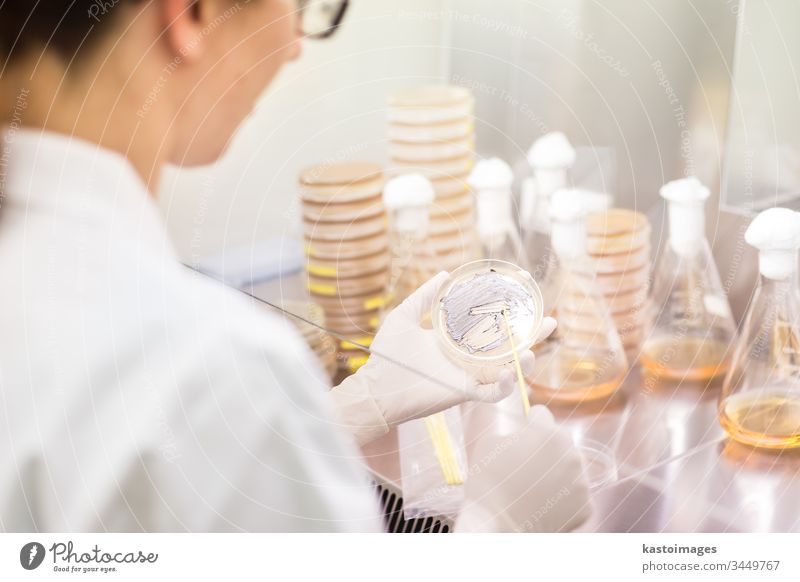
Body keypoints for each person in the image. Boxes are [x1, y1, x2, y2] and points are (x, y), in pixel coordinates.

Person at [0, 0, 590, 532]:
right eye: (306, 5)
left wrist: (365, 401)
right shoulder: (213, 364)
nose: (296, 45)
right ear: (191, 15)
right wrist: (502, 526)